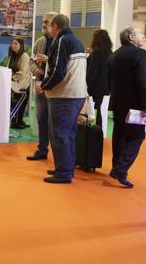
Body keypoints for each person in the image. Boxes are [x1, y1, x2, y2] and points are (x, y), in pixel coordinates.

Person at [37, 14, 86, 184]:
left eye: (49, 25)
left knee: (59, 134)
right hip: (75, 94)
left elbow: (58, 71)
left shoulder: (62, 41)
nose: (47, 28)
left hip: (64, 95)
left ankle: (63, 173)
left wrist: (43, 85)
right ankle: (65, 167)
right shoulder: (76, 41)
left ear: (55, 25)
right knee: (68, 134)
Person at [107, 27, 146, 188]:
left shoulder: (115, 55)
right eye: (141, 34)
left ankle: (115, 168)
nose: (144, 36)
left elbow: (109, 80)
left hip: (118, 103)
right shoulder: (140, 54)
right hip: (134, 105)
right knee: (136, 137)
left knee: (119, 136)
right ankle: (121, 169)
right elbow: (144, 81)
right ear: (132, 37)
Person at [27, 12, 54, 161]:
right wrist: (35, 69)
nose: (43, 24)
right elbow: (31, 61)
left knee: (54, 121)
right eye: (42, 21)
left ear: (54, 24)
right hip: (40, 86)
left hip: (55, 88)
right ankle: (42, 149)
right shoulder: (39, 42)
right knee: (41, 119)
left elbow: (64, 64)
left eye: (46, 22)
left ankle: (59, 154)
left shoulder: (61, 41)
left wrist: (48, 60)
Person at [86, 29, 112, 128]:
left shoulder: (96, 53)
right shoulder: (110, 52)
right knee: (97, 109)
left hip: (95, 87)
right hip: (105, 87)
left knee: (94, 110)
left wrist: (86, 84)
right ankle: (97, 132)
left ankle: (95, 131)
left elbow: (92, 72)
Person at [7, 37, 31, 129]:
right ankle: (15, 122)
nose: (13, 45)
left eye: (16, 43)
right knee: (17, 104)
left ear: (21, 45)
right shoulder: (12, 56)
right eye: (13, 43)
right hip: (13, 83)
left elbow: (22, 72)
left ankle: (19, 121)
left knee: (23, 104)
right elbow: (8, 69)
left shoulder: (24, 56)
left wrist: (12, 77)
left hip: (22, 84)